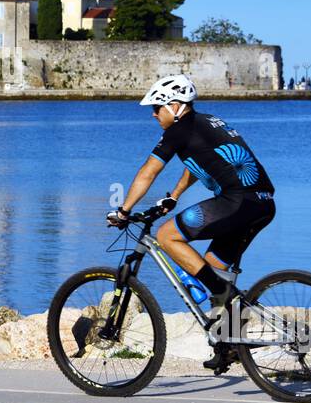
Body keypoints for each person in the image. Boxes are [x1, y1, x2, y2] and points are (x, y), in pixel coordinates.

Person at [107, 74, 276, 373]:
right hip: (262, 203)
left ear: (174, 106)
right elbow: (199, 164)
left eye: (157, 108)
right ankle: (229, 346)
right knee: (212, 267)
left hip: (236, 202)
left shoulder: (178, 130)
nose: (153, 114)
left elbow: (148, 172)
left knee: (167, 235)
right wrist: (174, 196)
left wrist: (124, 210)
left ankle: (225, 299)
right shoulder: (209, 122)